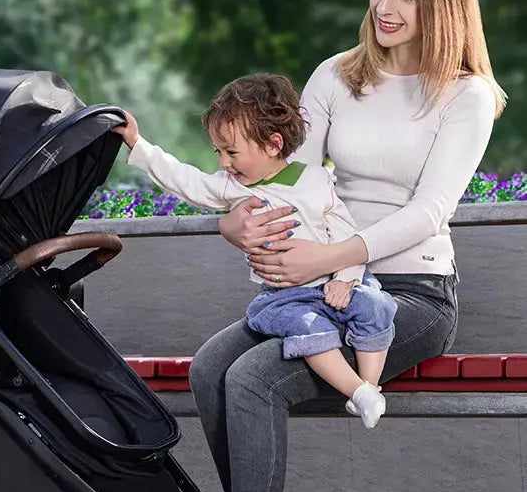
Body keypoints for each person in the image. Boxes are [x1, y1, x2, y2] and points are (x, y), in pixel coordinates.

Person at [165, 0, 507, 492]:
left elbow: (429, 212)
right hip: (319, 291)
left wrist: (329, 261)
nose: (386, 7)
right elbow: (290, 178)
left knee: (254, 376)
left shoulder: (467, 95)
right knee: (209, 366)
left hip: (409, 296)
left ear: (443, 4)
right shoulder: (335, 76)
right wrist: (236, 228)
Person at [113, 73, 397, 431]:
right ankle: (356, 390)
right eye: (218, 151)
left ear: (273, 144)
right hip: (287, 297)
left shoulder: (314, 180)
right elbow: (185, 180)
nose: (223, 163)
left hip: (335, 285)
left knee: (376, 305)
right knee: (307, 327)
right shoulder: (233, 188)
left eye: (231, 152)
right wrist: (138, 144)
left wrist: (347, 279)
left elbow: (345, 233)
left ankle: (371, 386)